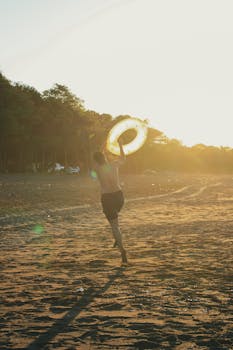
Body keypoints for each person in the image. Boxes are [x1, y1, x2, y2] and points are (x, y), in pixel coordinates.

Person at [93, 139, 127, 264]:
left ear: (95, 160)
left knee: (114, 226)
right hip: (119, 197)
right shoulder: (114, 164)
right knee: (116, 224)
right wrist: (120, 145)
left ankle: (122, 249)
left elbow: (99, 156)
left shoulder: (96, 168)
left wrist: (103, 144)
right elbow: (123, 158)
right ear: (105, 157)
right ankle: (117, 238)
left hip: (107, 197)